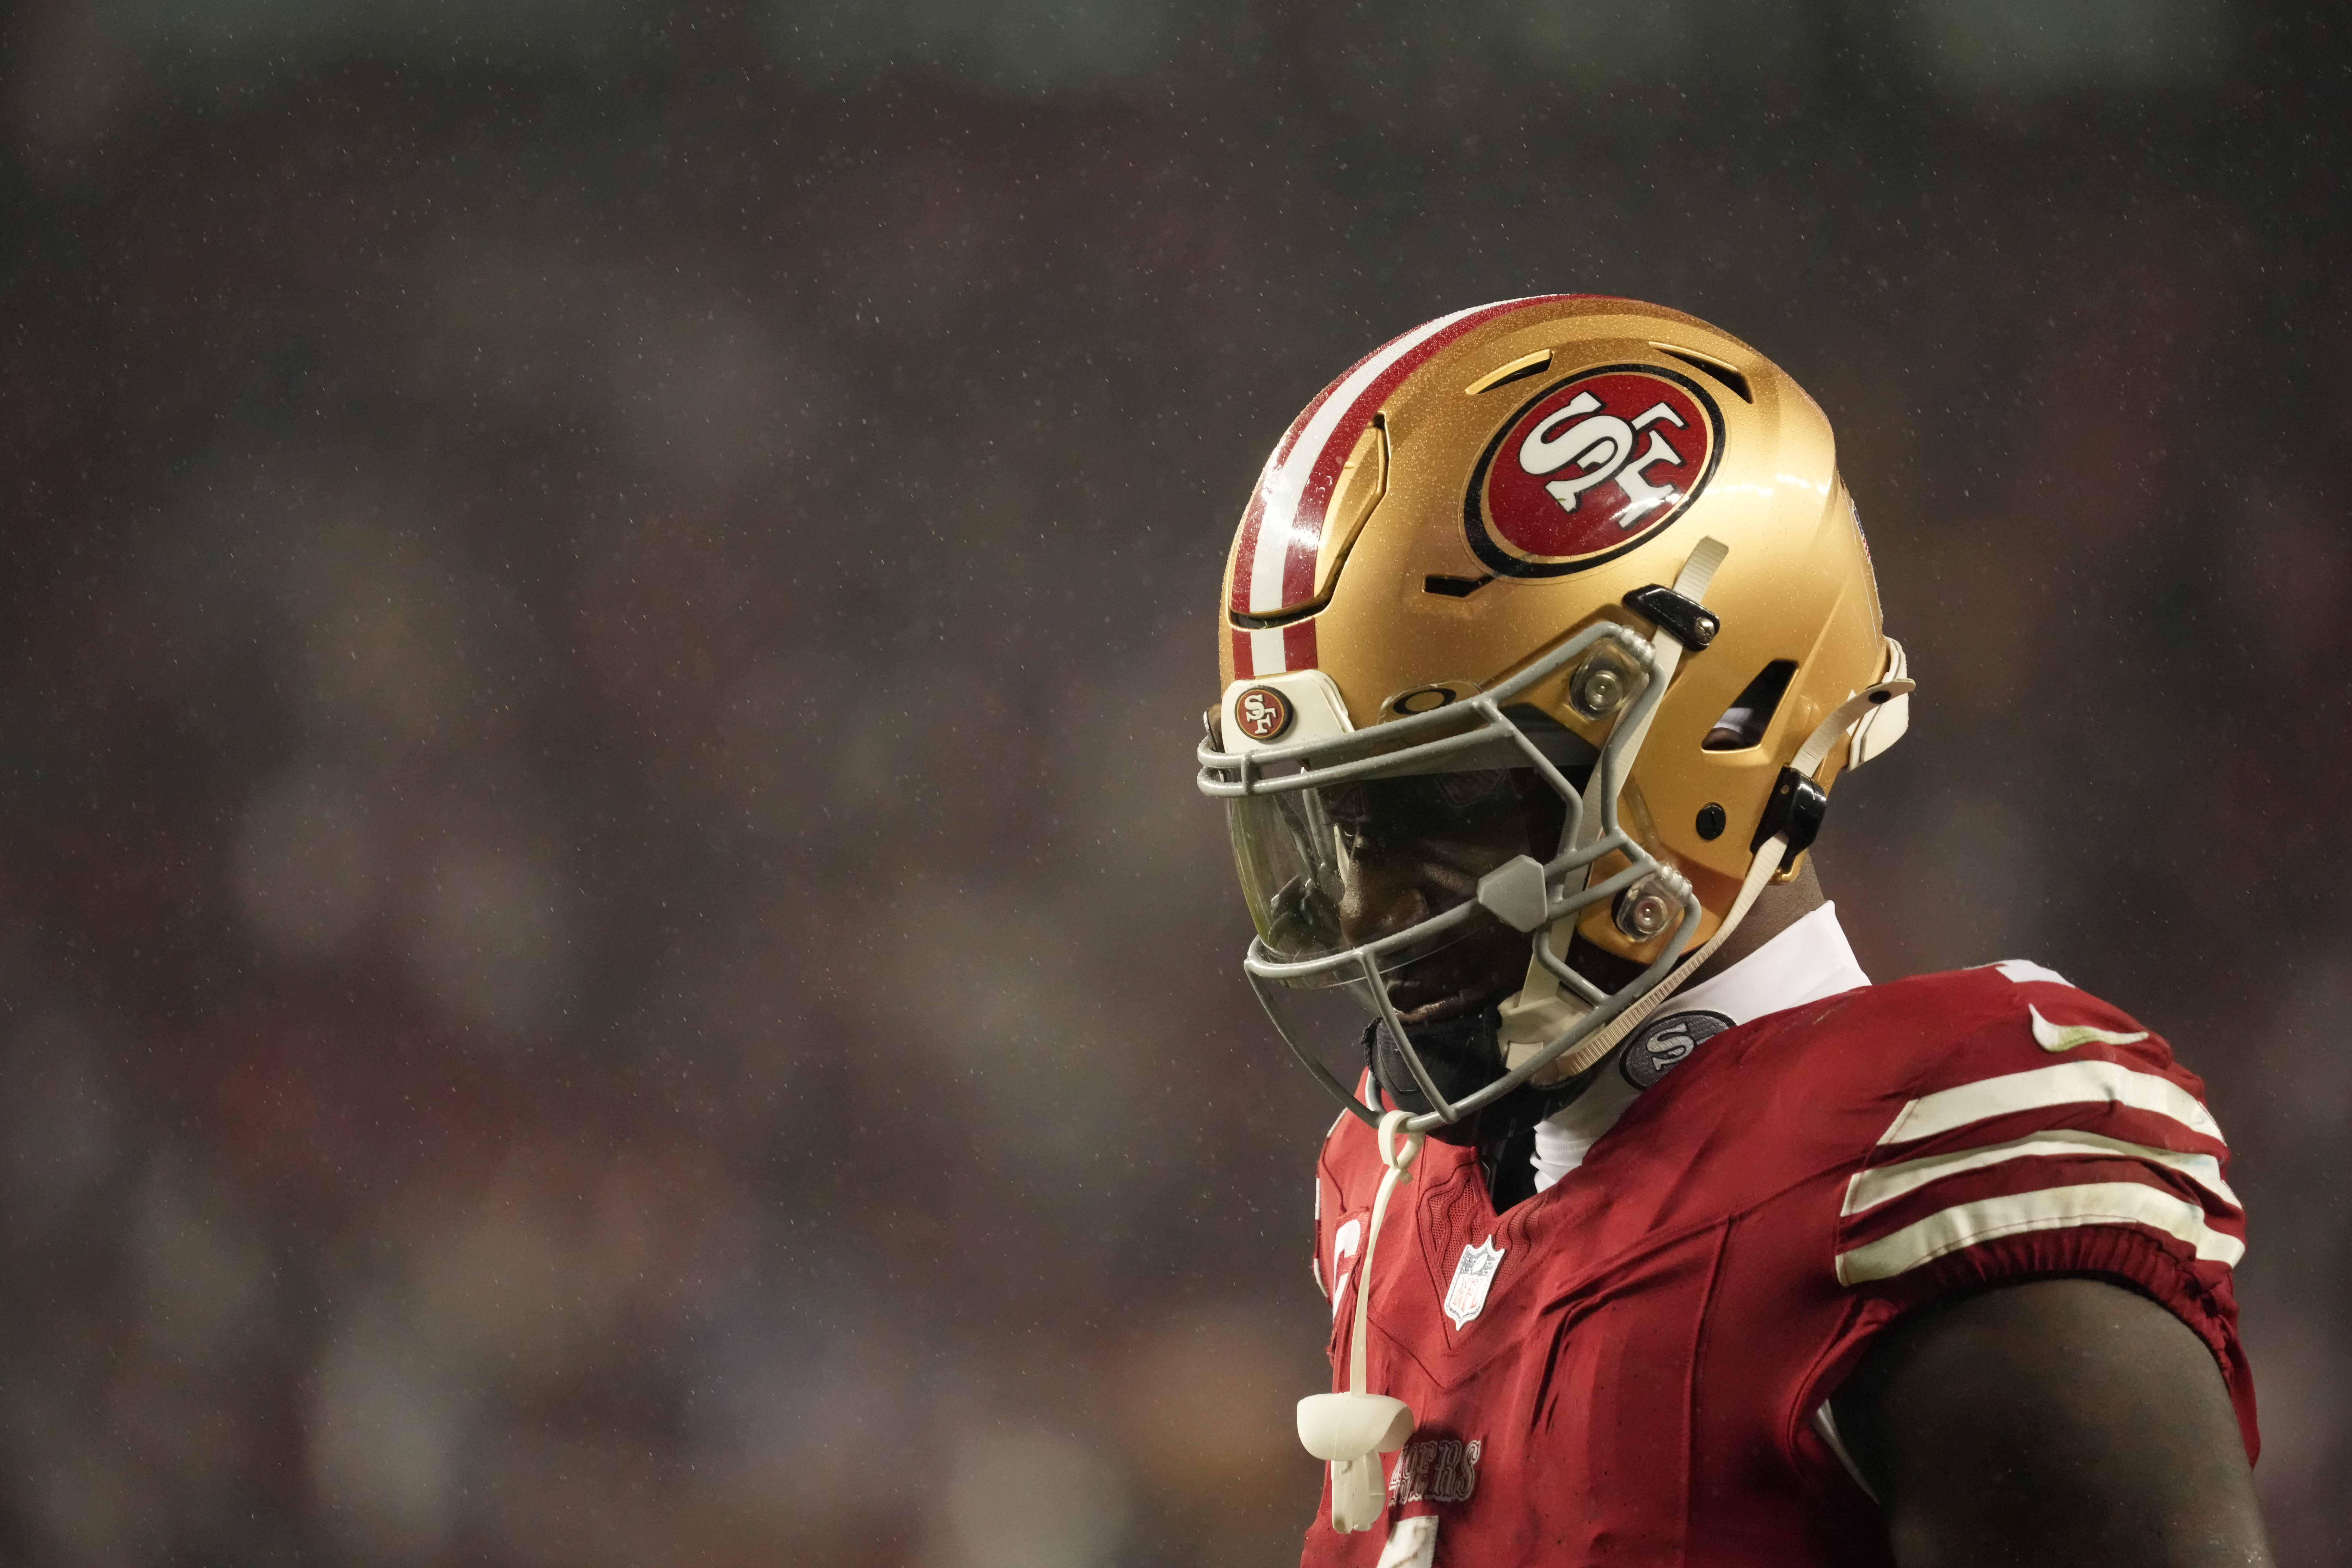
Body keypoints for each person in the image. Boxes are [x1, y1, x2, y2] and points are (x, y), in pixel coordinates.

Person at [1194, 296, 2271, 1567]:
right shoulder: (1395, 1197)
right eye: (1335, 824)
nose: (1371, 910)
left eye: (1448, 806)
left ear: (1720, 729)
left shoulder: (1931, 1174)